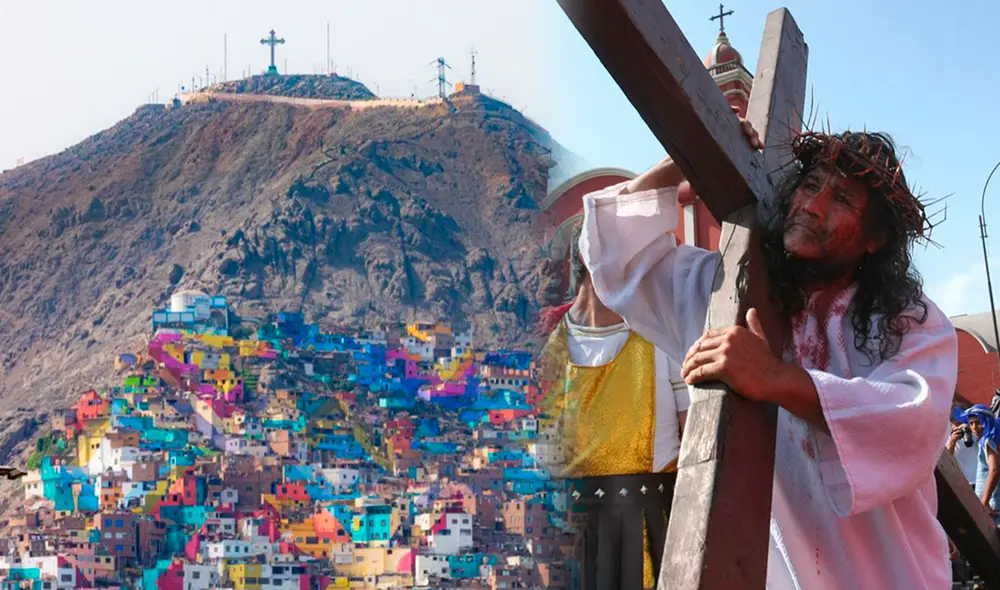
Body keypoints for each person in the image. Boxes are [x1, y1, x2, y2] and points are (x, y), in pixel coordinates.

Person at [579, 118, 958, 588]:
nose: (813, 207)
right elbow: (615, 252)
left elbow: (911, 421)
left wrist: (776, 379)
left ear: (875, 238)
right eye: (811, 185)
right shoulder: (727, 295)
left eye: (841, 199)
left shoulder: (910, 320)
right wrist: (688, 154)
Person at [536, 222, 689, 590]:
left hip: (652, 539)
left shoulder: (664, 340)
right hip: (571, 548)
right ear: (592, 261)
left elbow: (695, 444)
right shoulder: (545, 353)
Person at [961, 405, 1000, 524]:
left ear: (986, 422)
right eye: (971, 423)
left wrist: (984, 502)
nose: (974, 428)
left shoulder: (988, 441)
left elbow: (994, 470)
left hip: (993, 505)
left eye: (978, 422)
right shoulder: (990, 441)